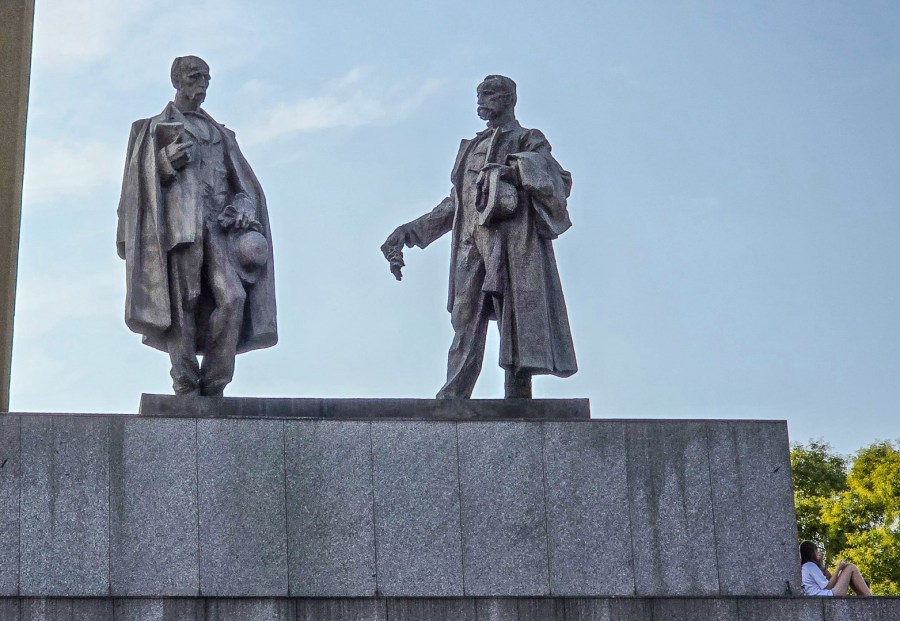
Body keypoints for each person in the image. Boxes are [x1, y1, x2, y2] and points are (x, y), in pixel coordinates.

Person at [381, 75, 577, 399]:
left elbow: (558, 179)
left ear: (508, 99)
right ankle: (454, 396)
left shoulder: (527, 138)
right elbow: (456, 203)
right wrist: (409, 231)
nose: (480, 101)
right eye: (479, 95)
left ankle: (518, 397)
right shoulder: (471, 148)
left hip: (512, 244)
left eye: (488, 94)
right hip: (470, 245)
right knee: (464, 316)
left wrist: (514, 171)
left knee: (515, 318)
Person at [117, 56, 277, 396]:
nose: (202, 83)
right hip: (181, 228)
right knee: (184, 301)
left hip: (220, 228)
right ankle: (186, 381)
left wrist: (244, 204)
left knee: (233, 297)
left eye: (206, 77)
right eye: (194, 76)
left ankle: (216, 380)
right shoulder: (150, 128)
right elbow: (134, 187)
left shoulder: (222, 134)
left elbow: (245, 186)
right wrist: (164, 163)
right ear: (176, 80)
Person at [799, 540, 872, 596]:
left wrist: (821, 565)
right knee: (850, 567)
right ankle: (870, 597)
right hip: (828, 594)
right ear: (811, 553)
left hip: (825, 594)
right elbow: (829, 586)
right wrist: (838, 569)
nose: (818, 553)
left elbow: (830, 579)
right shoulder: (810, 566)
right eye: (816, 551)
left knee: (846, 571)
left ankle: (864, 596)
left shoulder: (806, 567)